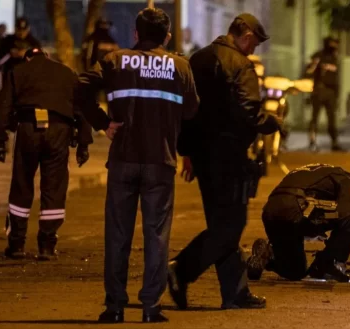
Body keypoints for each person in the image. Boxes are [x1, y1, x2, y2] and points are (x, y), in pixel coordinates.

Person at [76, 8, 199, 323]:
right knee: (156, 235)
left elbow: (79, 88)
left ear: (135, 34)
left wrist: (103, 122)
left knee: (118, 235)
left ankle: (115, 307)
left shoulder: (115, 61)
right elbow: (191, 113)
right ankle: (150, 308)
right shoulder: (180, 67)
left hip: (123, 159)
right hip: (160, 162)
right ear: (167, 36)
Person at [168, 13, 280, 310]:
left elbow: (186, 111)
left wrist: (187, 152)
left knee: (221, 224)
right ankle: (182, 268)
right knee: (231, 225)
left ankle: (235, 293)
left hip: (203, 155)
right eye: (254, 42)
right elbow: (249, 112)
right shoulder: (241, 65)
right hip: (229, 156)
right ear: (244, 36)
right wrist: (273, 122)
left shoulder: (197, 59)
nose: (254, 49)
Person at [0, 48, 92, 261]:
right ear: (47, 57)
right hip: (59, 130)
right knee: (54, 186)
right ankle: (46, 245)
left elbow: (3, 106)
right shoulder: (66, 73)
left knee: (22, 183)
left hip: (28, 128)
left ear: (28, 58)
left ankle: (17, 244)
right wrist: (83, 143)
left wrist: (0, 139)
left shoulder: (18, 72)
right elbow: (82, 108)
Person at [247, 163, 350, 282]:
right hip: (294, 208)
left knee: (295, 271)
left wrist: (313, 227)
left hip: (270, 213)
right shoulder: (346, 179)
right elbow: (345, 210)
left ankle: (267, 255)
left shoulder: (314, 172)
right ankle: (328, 263)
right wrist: (317, 229)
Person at [306, 37, 343, 152]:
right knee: (315, 118)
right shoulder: (318, 56)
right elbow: (308, 71)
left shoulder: (335, 58)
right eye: (332, 43)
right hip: (319, 90)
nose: (334, 46)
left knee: (332, 118)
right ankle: (312, 141)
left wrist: (337, 94)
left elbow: (337, 78)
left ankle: (334, 142)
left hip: (331, 92)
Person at [0, 18, 41, 85]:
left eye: (24, 30)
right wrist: (10, 53)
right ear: (15, 28)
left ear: (28, 29)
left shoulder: (34, 43)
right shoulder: (7, 41)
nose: (21, 33)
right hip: (10, 77)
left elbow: (40, 60)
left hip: (28, 79)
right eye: (19, 30)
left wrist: (27, 53)